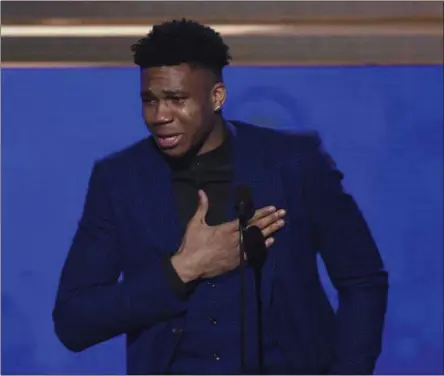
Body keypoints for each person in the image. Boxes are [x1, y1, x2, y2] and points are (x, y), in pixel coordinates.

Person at [52, 19, 388, 375]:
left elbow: (363, 280)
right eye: (149, 101)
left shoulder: (295, 163)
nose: (160, 116)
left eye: (177, 99)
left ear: (217, 96)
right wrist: (183, 269)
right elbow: (74, 321)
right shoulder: (120, 180)